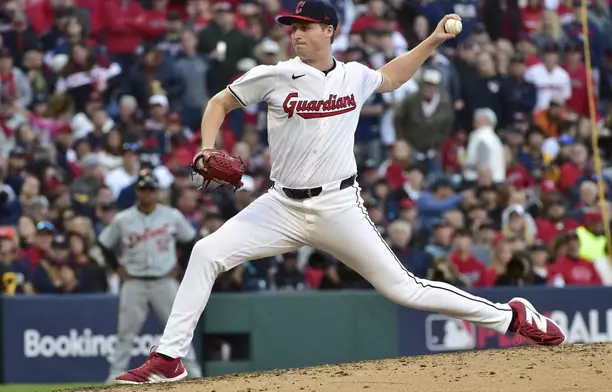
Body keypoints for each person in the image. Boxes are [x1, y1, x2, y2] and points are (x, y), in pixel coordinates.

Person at [114, 1, 566, 384]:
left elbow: (390, 77)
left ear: (329, 30)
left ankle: (513, 317)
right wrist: (205, 150)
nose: (295, 34)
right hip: (281, 204)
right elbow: (219, 103)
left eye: (305, 27)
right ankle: (170, 359)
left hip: (337, 204)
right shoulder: (275, 75)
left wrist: (432, 42)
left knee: (405, 289)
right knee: (206, 252)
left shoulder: (353, 76)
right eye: (292, 27)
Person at [98, 168, 202, 382]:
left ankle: (194, 374)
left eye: (151, 189)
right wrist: (117, 267)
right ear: (137, 191)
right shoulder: (123, 219)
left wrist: (180, 265)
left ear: (157, 192)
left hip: (164, 280)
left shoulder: (171, 215)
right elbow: (105, 244)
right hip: (134, 282)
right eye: (144, 189)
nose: (147, 193)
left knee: (179, 330)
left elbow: (191, 239)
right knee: (125, 332)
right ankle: (112, 378)